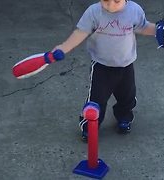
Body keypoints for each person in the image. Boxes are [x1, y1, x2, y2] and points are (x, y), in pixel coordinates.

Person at [53, 0, 157, 141]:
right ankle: (89, 126)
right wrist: (63, 48)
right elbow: (80, 32)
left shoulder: (134, 10)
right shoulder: (94, 12)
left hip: (126, 65)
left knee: (127, 97)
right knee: (96, 101)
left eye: (116, 1)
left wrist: (160, 29)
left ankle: (124, 117)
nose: (110, 6)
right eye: (106, 2)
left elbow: (143, 27)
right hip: (101, 66)